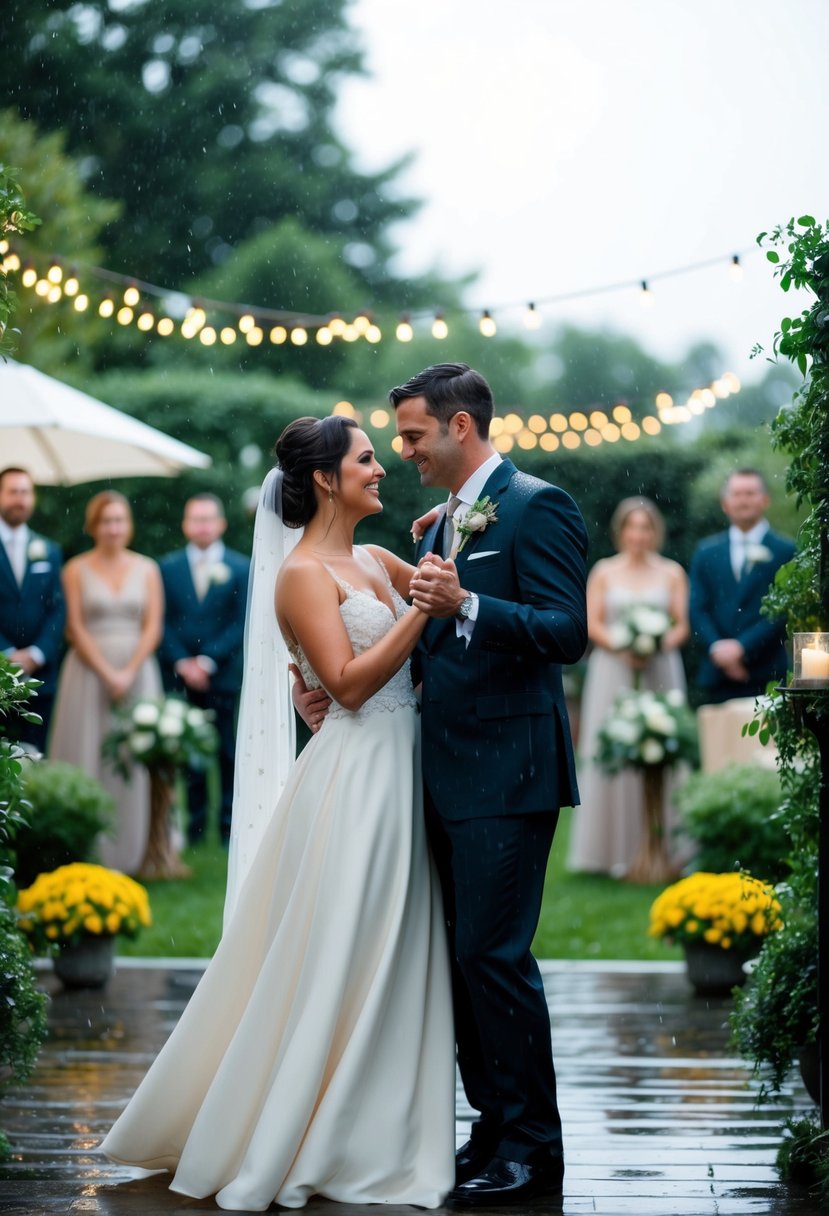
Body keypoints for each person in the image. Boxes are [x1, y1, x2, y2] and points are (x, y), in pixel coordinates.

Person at [101, 416, 455, 1211]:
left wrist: (449, 538)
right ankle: (312, 1133)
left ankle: (382, 1127)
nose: (381, 470)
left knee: (396, 953)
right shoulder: (299, 574)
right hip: (357, 779)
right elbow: (351, 683)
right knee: (346, 951)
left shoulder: (372, 557)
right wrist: (420, 609)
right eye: (367, 459)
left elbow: (445, 586)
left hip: (403, 769)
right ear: (326, 478)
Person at [391, 363, 588, 1207]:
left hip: (509, 773)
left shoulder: (539, 505)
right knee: (464, 962)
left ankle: (534, 1150)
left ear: (460, 426)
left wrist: (467, 602)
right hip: (445, 772)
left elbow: (565, 632)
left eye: (413, 435)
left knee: (493, 958)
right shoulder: (444, 521)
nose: (404, 451)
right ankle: (492, 1128)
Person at [567, 496, 690, 877]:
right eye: (632, 527)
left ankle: (665, 847)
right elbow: (593, 623)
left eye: (646, 527)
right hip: (613, 672)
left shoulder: (672, 572)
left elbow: (681, 624)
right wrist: (625, 645)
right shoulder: (604, 571)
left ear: (655, 532)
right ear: (622, 532)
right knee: (613, 751)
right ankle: (611, 852)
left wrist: (654, 644)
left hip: (660, 670)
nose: (639, 535)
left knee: (663, 747)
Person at [48, 491, 164, 875]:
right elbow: (74, 627)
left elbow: (153, 627)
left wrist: (129, 670)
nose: (113, 528)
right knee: (87, 750)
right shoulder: (75, 569)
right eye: (105, 521)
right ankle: (84, 843)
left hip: (138, 671)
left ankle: (137, 846)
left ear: (127, 525)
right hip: (87, 672)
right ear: (93, 525)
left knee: (133, 754)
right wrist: (106, 672)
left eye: (119, 520)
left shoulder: (147, 568)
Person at [158, 494, 249, 844]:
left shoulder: (240, 567)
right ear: (185, 524)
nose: (203, 525)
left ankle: (228, 825)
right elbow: (162, 622)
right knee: (187, 752)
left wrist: (208, 660)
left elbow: (241, 622)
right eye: (196, 519)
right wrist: (182, 661)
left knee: (227, 751)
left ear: (221, 523)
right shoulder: (167, 567)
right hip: (180, 675)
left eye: (209, 518)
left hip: (222, 674)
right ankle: (194, 826)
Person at [690, 468, 795, 703]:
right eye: (736, 494)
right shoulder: (706, 552)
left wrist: (743, 648)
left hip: (767, 672)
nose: (743, 500)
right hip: (717, 676)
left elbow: (783, 611)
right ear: (725, 503)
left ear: (765, 500)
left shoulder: (786, 550)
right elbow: (697, 608)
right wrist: (718, 648)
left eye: (750, 493)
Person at [0, 467, 65, 752]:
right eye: (13, 491)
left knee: (35, 755)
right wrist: (7, 654)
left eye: (25, 492)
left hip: (41, 674)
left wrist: (37, 652)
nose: (19, 499)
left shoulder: (48, 550)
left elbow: (59, 608)